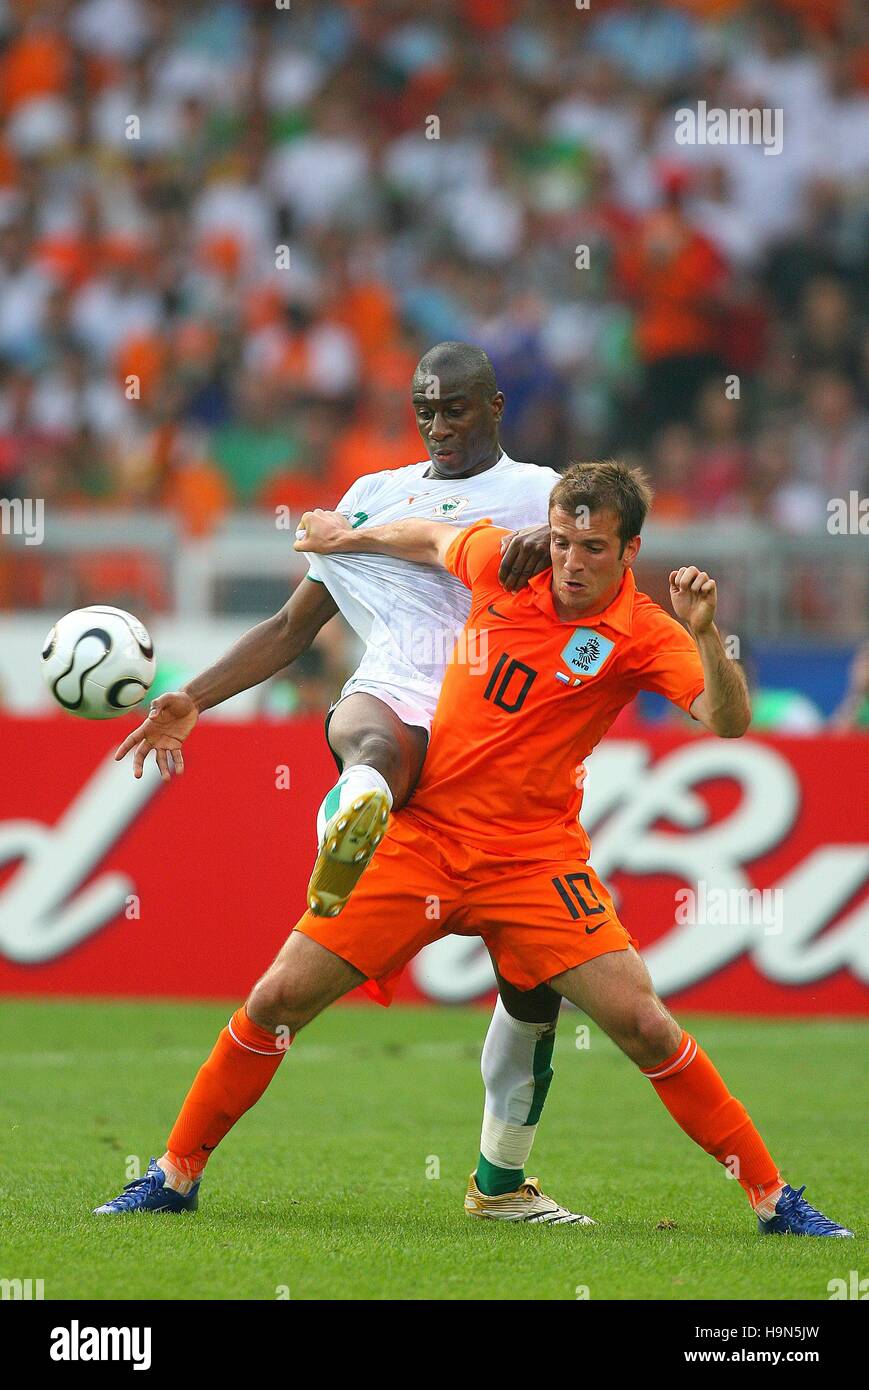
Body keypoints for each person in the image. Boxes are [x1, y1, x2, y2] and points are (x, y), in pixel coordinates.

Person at [96, 460, 852, 1237]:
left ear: (630, 551)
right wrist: (347, 537)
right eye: (561, 542)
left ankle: (771, 1197)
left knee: (645, 1026)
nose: (571, 562)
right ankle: (173, 1175)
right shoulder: (501, 562)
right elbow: (424, 535)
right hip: (424, 836)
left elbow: (727, 721)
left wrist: (701, 633)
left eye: (592, 547)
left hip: (533, 859)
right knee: (276, 1001)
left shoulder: (642, 633)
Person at [110, 341, 590, 1223]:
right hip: (401, 719)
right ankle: (172, 1174)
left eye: (454, 408)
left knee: (535, 995)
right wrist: (193, 698)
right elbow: (295, 625)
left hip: (503, 777)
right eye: (423, 409)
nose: (437, 424)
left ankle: (499, 1187)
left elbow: (597, 590)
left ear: (493, 407)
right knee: (283, 990)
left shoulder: (542, 493)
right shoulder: (372, 494)